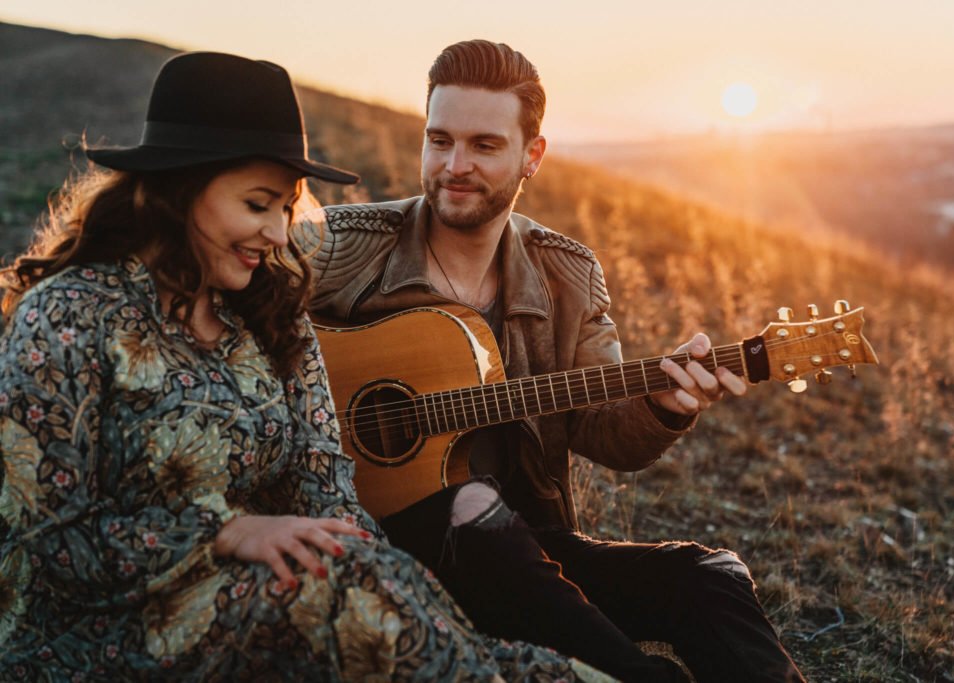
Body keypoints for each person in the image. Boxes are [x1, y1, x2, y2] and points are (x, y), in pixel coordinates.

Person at [0, 51, 616, 682]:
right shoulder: (69, 316)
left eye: (287, 206)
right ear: (178, 190)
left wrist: (382, 576)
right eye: (256, 204)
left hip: (275, 596)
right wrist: (225, 533)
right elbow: (45, 542)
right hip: (99, 632)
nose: (277, 233)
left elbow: (326, 483)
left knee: (411, 610)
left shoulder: (271, 310)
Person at [305, 40, 805, 682]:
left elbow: (604, 432)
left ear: (530, 156)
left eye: (484, 146)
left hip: (533, 556)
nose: (454, 165)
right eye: (439, 140)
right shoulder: (340, 245)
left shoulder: (567, 272)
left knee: (709, 578)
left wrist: (664, 404)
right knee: (472, 509)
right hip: (379, 547)